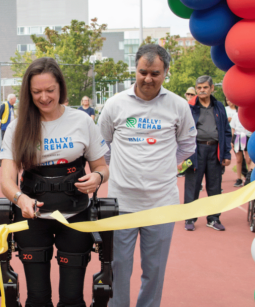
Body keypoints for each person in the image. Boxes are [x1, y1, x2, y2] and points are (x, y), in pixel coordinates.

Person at [0, 57, 109, 306]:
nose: (44, 97)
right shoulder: (18, 128)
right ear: (28, 92)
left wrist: (98, 177)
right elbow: (6, 181)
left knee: (72, 298)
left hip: (76, 213)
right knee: (37, 298)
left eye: (50, 90)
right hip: (33, 216)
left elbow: (101, 166)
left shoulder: (81, 121)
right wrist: (20, 198)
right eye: (37, 92)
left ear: (61, 88)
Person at [98, 44, 197, 307]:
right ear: (136, 69)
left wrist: (164, 166)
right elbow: (101, 145)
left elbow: (187, 146)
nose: (148, 79)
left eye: (155, 73)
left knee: (154, 271)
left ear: (165, 72)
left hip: (161, 205)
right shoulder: (115, 104)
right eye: (143, 72)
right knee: (118, 268)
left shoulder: (178, 106)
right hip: (121, 204)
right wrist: (121, 169)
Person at [183, 75, 232, 232]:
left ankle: (213, 218)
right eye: (199, 88)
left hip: (215, 150)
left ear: (212, 89)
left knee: (215, 186)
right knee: (193, 185)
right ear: (196, 89)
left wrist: (226, 154)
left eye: (205, 87)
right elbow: (181, 131)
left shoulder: (219, 107)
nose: (202, 90)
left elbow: (226, 130)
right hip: (195, 151)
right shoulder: (189, 107)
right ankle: (189, 218)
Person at [230, 108, 253, 187]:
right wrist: (232, 141)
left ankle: (249, 178)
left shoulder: (249, 115)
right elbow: (233, 129)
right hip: (238, 137)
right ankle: (239, 178)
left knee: (248, 159)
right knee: (239, 159)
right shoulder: (236, 116)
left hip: (247, 137)